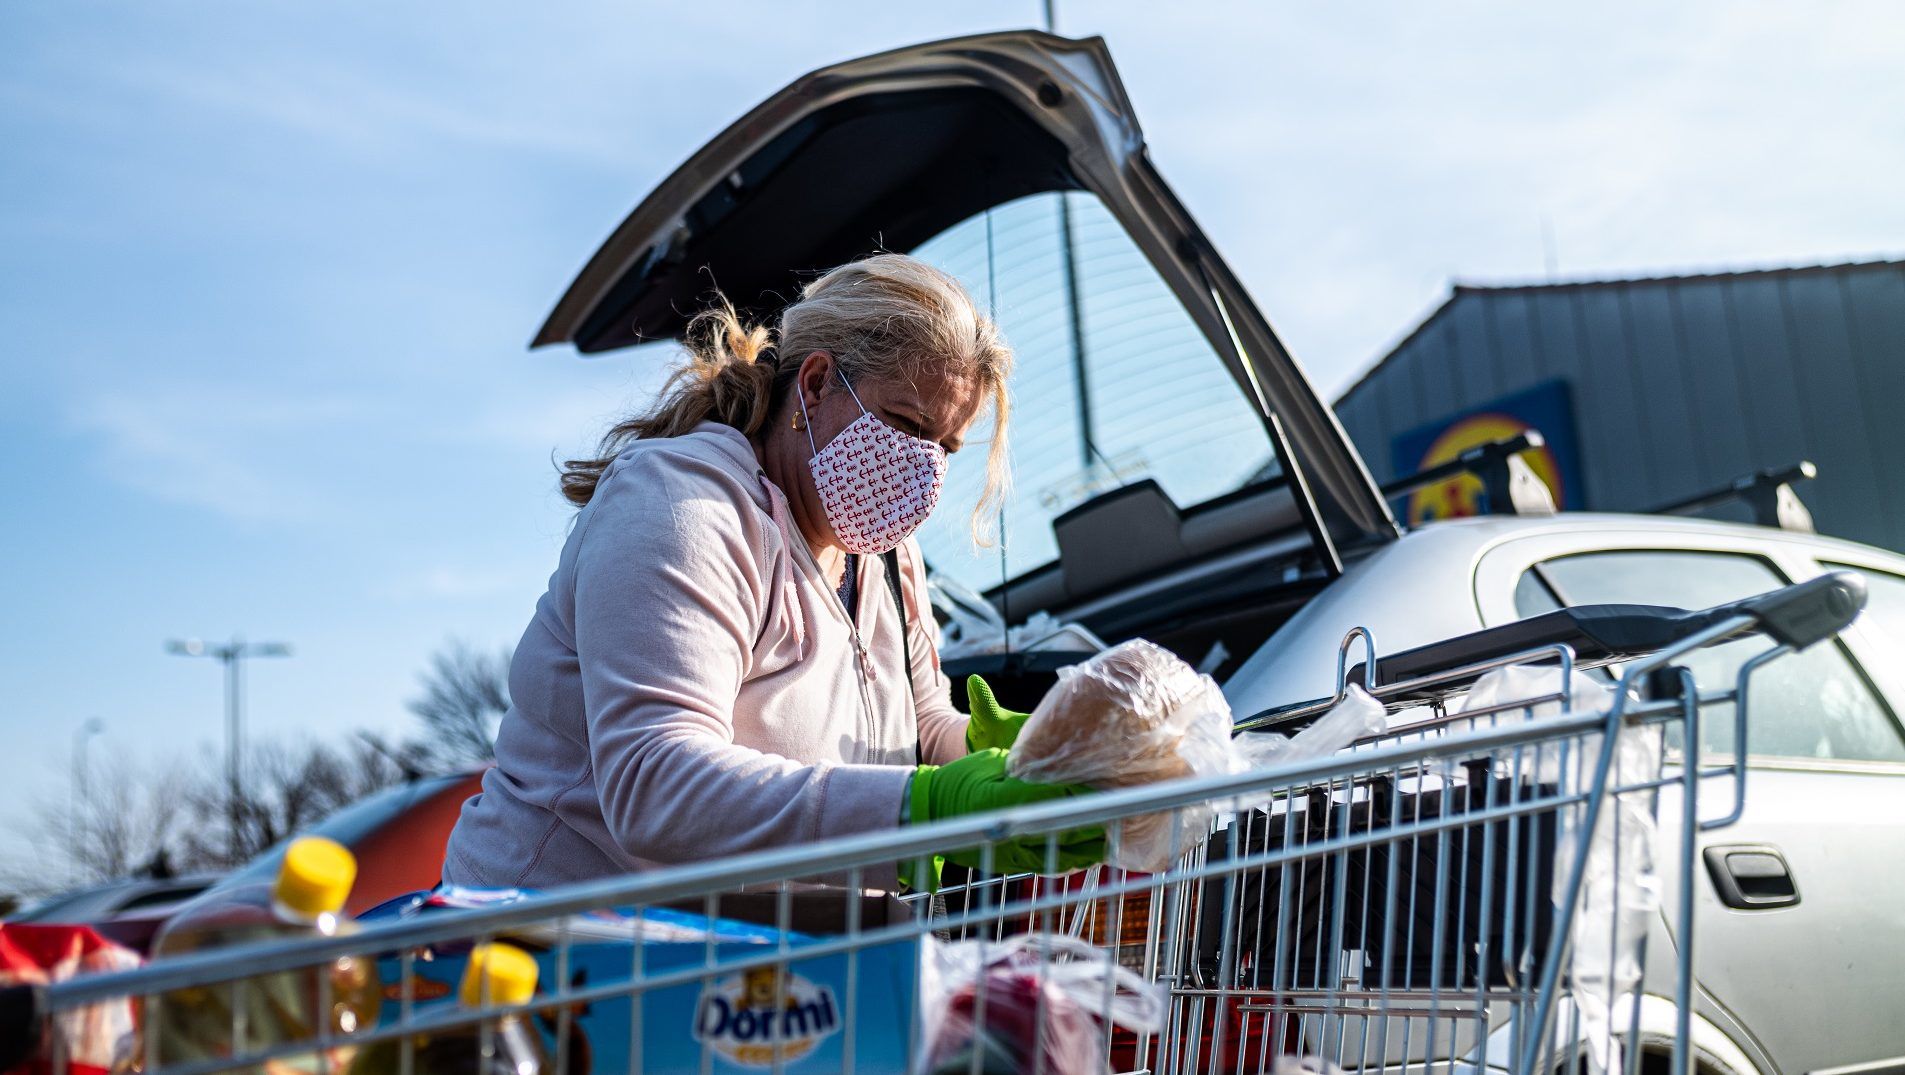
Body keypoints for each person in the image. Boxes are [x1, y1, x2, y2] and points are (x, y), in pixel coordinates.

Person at [441, 253, 1104, 891]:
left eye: (946, 446)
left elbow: (920, 726)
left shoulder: (882, 553)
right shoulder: (681, 506)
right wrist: (917, 808)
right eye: (905, 422)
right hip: (560, 962)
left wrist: (1017, 764)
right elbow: (652, 781)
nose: (922, 464)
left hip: (751, 970)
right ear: (814, 383)